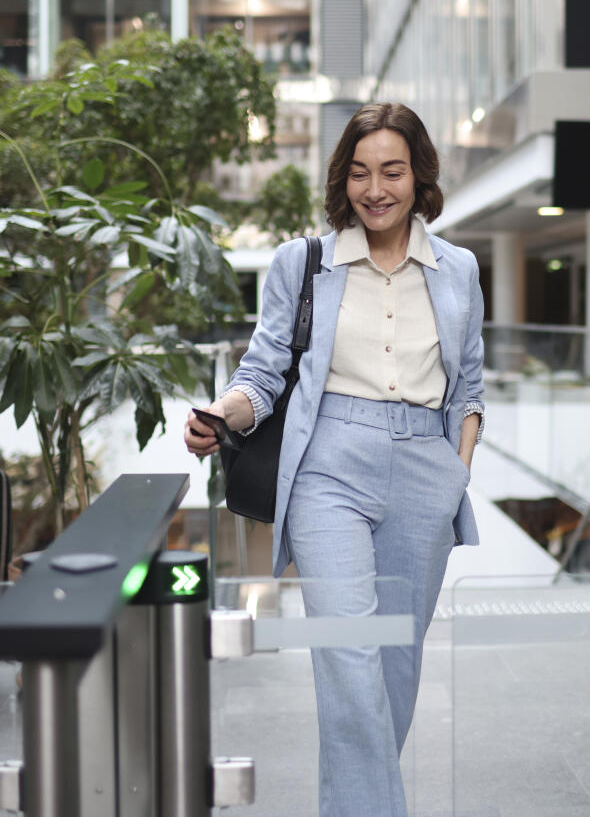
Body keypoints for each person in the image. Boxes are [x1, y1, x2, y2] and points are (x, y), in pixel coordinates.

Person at [185, 102, 484, 817]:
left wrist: (456, 477)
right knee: (348, 657)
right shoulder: (303, 263)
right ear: (340, 179)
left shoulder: (459, 270)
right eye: (359, 172)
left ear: (419, 177)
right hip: (328, 467)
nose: (375, 189)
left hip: (425, 468)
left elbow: (468, 385)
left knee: (396, 668)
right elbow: (262, 376)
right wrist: (222, 414)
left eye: (391, 171)